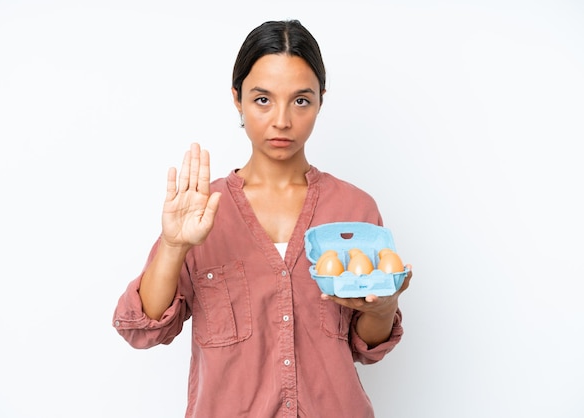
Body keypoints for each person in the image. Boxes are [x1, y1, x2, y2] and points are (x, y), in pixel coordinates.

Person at [113, 19, 412, 418]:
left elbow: (365, 347)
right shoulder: (203, 208)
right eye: (263, 99)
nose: (282, 121)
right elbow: (144, 329)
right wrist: (173, 245)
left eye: (301, 100)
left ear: (322, 99)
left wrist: (381, 309)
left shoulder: (354, 210)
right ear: (237, 98)